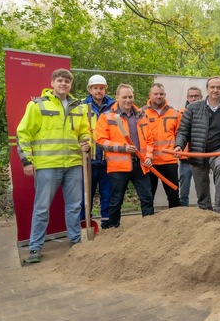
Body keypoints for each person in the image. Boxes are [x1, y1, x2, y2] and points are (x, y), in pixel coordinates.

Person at [16, 68, 91, 263]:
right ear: (52, 83)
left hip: (74, 164)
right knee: (42, 208)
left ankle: (75, 242)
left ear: (71, 85)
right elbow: (23, 134)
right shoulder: (37, 105)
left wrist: (86, 142)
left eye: (67, 81)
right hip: (48, 165)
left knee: (74, 207)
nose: (63, 84)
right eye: (60, 80)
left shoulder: (78, 107)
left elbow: (84, 131)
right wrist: (27, 161)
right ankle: (34, 248)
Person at [174, 76, 220, 213]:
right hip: (198, 152)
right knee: (202, 190)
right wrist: (179, 145)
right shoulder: (192, 108)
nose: (215, 90)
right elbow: (183, 131)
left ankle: (219, 211)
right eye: (212, 87)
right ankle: (206, 214)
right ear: (207, 89)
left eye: (218, 87)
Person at [95, 84, 155, 228]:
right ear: (117, 98)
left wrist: (148, 156)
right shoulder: (107, 116)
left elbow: (150, 140)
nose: (128, 100)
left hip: (140, 165)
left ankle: (150, 229)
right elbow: (100, 141)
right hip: (119, 167)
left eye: (130, 97)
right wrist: (123, 148)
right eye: (124, 97)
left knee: (147, 199)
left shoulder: (141, 115)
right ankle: (114, 230)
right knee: (116, 200)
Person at [80, 74, 116, 228]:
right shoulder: (81, 106)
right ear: (90, 89)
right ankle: (85, 222)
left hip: (108, 157)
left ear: (105, 89)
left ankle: (106, 222)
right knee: (85, 194)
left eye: (101, 88)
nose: (99, 91)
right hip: (90, 157)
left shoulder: (114, 106)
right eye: (95, 88)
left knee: (107, 193)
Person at [142, 83, 181, 208]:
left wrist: (178, 146)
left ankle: (176, 222)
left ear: (165, 95)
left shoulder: (174, 113)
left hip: (169, 161)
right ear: (150, 95)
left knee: (173, 195)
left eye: (161, 94)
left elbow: (180, 133)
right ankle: (148, 222)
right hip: (148, 161)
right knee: (148, 196)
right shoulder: (140, 113)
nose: (158, 96)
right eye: (156, 94)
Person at [178, 86, 203, 207]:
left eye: (196, 96)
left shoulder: (206, 112)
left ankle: (203, 211)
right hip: (185, 157)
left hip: (201, 156)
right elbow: (179, 133)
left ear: (201, 97)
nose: (193, 98)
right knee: (184, 187)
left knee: (202, 187)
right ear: (187, 97)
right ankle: (184, 211)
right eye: (191, 96)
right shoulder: (180, 113)